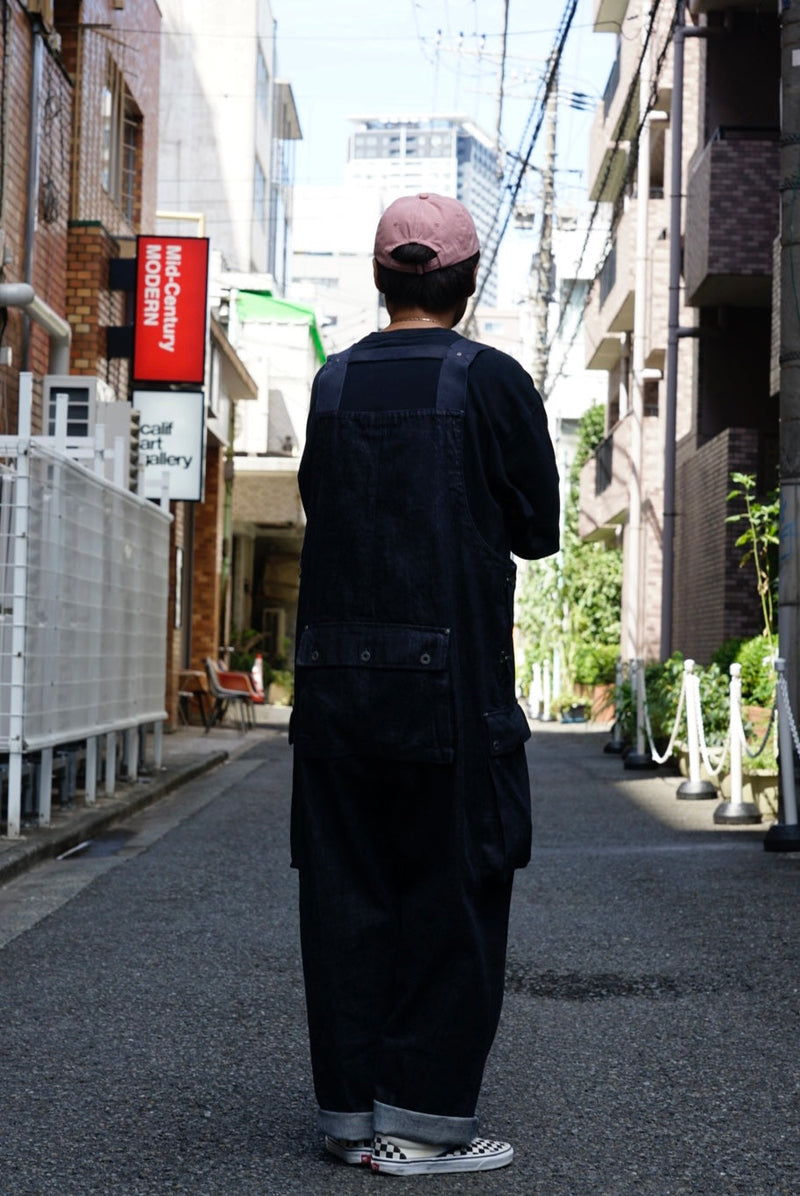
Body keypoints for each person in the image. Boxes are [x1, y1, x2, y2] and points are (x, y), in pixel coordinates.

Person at [289, 192, 560, 1177]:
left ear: (378, 279)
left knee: (344, 892)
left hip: (330, 685)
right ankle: (420, 1126)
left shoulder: (331, 382)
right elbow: (534, 527)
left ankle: (349, 1116)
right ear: (467, 279)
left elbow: (324, 503)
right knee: (453, 889)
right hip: (447, 686)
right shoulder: (490, 381)